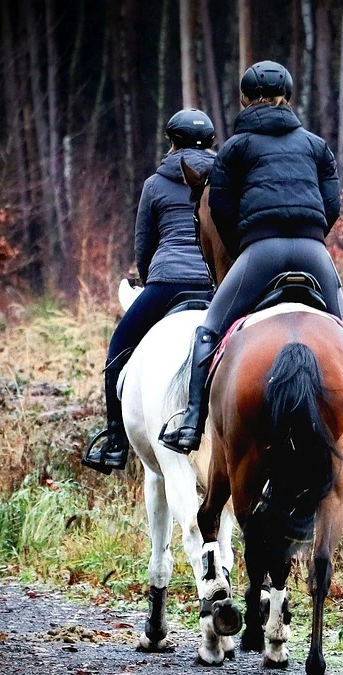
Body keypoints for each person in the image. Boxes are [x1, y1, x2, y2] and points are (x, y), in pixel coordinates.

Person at [157, 60, 343, 456]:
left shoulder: (234, 149)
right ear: (289, 97)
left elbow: (222, 212)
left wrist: (245, 245)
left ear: (245, 100)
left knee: (210, 330)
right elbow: (331, 206)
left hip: (260, 251)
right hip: (313, 252)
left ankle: (191, 421)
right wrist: (310, 235)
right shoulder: (317, 146)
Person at [82, 108, 219, 474]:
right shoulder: (227, 179)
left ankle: (114, 443)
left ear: (172, 143)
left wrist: (150, 280)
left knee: (118, 351)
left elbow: (144, 246)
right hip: (217, 286)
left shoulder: (155, 184)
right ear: (211, 144)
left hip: (166, 284)